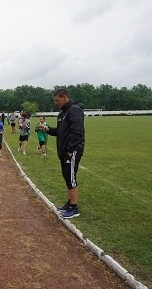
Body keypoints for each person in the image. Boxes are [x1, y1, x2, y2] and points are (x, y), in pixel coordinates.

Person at [46, 89, 85, 219]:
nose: (56, 103)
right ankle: (69, 203)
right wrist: (48, 130)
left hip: (71, 151)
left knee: (70, 176)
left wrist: (70, 150)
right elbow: (60, 131)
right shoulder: (62, 113)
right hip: (63, 151)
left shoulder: (74, 110)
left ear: (65, 97)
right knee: (67, 176)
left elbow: (77, 132)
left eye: (57, 100)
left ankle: (74, 208)